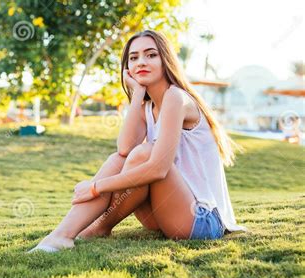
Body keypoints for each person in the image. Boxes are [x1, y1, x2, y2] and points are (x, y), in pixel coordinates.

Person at [29, 30, 247, 253]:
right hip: (166, 214)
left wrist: (95, 188)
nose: (141, 62)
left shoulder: (176, 97)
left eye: (151, 55)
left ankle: (97, 227)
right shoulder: (148, 106)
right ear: (127, 68)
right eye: (133, 58)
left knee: (144, 154)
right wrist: (136, 96)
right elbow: (124, 149)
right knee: (119, 159)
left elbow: (159, 169)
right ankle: (61, 235)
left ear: (166, 60)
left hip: (202, 220)